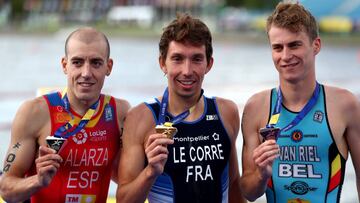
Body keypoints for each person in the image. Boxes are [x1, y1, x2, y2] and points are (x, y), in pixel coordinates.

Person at [116, 13, 246, 203]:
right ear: (163, 63)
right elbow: (123, 200)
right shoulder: (141, 118)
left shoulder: (226, 112)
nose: (187, 71)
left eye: (196, 59)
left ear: (209, 64)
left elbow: (234, 183)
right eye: (177, 59)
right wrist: (150, 172)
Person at [240, 2, 360, 203]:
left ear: (316, 45)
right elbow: (248, 193)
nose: (286, 56)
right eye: (278, 47)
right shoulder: (256, 107)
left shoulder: (345, 105)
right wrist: (261, 174)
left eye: (294, 45)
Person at [0, 27, 130, 203]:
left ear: (109, 66)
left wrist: (152, 167)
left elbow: (125, 179)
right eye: (77, 62)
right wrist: (38, 181)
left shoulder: (119, 113)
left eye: (96, 63)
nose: (86, 73)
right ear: (64, 65)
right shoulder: (34, 112)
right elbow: (6, 190)